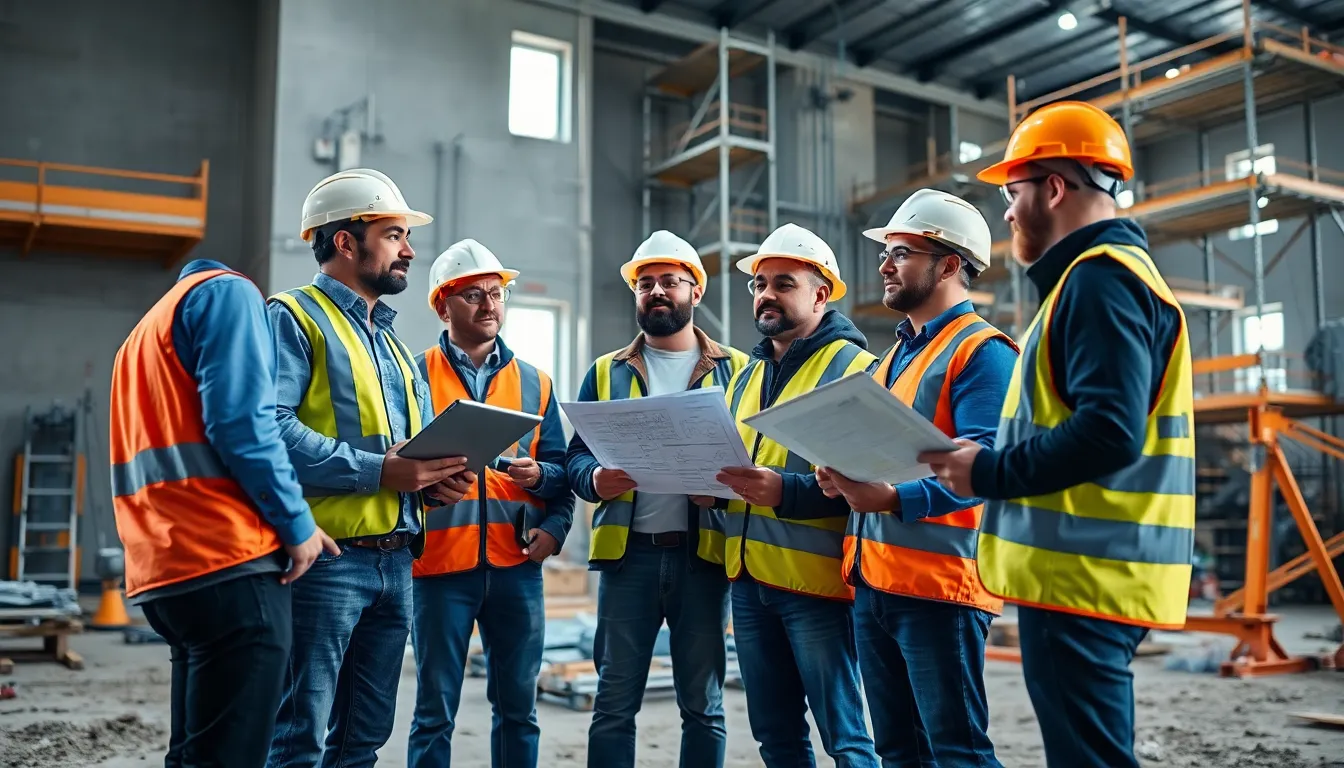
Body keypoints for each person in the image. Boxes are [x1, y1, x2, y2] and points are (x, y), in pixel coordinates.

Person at [921, 101, 1195, 768]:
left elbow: (1109, 431)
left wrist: (983, 473)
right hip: (1088, 576)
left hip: (1086, 581)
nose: (1008, 213)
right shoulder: (1098, 280)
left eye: (1014, 193)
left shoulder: (1101, 282)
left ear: (1053, 188)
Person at [266, 168, 477, 767]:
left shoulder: (391, 344)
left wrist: (434, 484)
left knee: (364, 738)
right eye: (393, 234)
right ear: (344, 241)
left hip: (397, 559)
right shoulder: (293, 317)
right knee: (297, 736)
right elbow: (270, 429)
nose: (409, 250)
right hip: (326, 562)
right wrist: (380, 473)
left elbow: (403, 454)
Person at [816, 189, 1018, 767]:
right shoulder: (894, 356)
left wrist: (890, 497)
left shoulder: (983, 352)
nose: (884, 264)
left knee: (958, 751)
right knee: (899, 750)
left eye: (902, 252)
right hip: (875, 583)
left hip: (939, 590)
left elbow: (985, 467)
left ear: (949, 265)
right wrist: (842, 476)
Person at [109, 259, 336, 768]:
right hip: (228, 563)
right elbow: (242, 424)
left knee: (195, 755)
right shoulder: (227, 293)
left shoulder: (143, 335)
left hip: (165, 570)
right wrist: (297, 525)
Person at [565, 231, 749, 768]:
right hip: (630, 560)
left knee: (704, 706)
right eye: (646, 283)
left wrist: (720, 488)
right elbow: (576, 457)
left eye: (670, 281)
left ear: (696, 290)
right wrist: (594, 481)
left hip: (704, 557)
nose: (657, 290)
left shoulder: (737, 369)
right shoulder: (606, 371)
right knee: (614, 703)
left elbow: (757, 457)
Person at [711, 223, 880, 768]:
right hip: (749, 579)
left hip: (817, 586)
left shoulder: (854, 369)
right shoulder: (747, 373)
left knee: (846, 737)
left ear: (820, 293)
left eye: (783, 284)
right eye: (759, 284)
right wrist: (710, 492)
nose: (766, 294)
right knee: (776, 737)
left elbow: (870, 481)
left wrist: (784, 492)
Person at [407, 239, 575, 767]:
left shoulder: (535, 382)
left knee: (519, 710)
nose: (489, 305)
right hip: (436, 569)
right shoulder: (411, 376)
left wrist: (554, 529)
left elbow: (562, 474)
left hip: (516, 568)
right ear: (442, 305)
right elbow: (396, 469)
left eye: (497, 294)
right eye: (473, 294)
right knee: (433, 713)